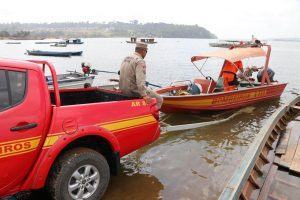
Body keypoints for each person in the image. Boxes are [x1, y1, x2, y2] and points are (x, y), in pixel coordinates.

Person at [119, 42, 163, 109]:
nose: (146, 54)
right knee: (159, 99)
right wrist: (144, 95)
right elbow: (140, 81)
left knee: (149, 89)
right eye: (146, 51)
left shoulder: (126, 58)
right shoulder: (140, 61)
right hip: (132, 91)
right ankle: (152, 115)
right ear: (143, 51)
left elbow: (121, 73)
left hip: (122, 89)